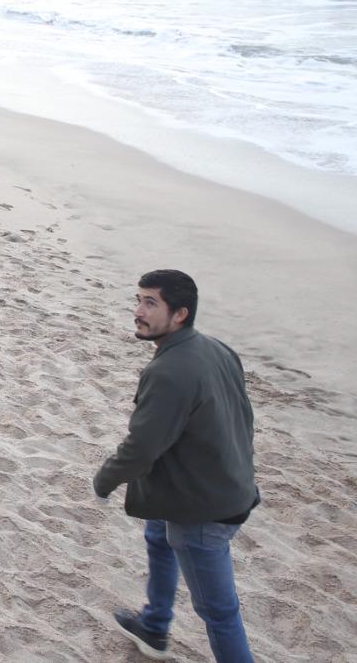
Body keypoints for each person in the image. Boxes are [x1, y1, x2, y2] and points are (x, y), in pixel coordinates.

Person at [94, 269, 259, 663]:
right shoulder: (216, 349)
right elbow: (244, 417)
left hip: (205, 510)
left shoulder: (169, 372)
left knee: (220, 613)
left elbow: (141, 448)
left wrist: (104, 481)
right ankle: (154, 625)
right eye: (138, 299)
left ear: (180, 314)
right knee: (157, 534)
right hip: (224, 483)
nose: (138, 311)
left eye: (150, 303)